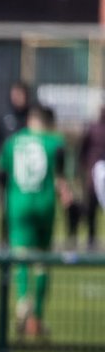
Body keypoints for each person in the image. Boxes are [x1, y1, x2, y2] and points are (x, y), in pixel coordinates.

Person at [0, 103, 71, 340]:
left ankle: (22, 301)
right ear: (47, 122)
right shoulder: (55, 142)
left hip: (18, 204)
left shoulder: (13, 142)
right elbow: (61, 176)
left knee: (21, 257)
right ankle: (36, 317)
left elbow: (1, 173)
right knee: (42, 261)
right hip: (44, 204)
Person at [0, 81, 32, 246]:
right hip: (8, 174)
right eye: (14, 94)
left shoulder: (31, 118)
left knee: (27, 211)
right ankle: (4, 244)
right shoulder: (4, 117)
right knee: (6, 211)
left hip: (28, 174)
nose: (17, 98)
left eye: (20, 94)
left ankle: (27, 243)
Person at [72, 104, 105, 250]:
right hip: (94, 177)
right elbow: (83, 150)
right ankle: (90, 239)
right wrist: (83, 168)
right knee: (91, 208)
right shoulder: (93, 129)